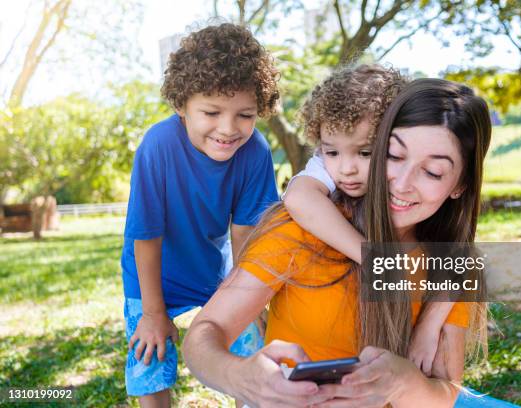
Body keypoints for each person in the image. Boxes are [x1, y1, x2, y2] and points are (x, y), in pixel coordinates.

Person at [182, 78, 492, 407]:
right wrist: (239, 376)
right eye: (393, 155)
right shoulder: (301, 230)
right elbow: (204, 334)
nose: (402, 184)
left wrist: (407, 385)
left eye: (431, 172)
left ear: (459, 186)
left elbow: (445, 394)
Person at [120, 23, 279, 407]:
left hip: (217, 272)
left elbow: (246, 234)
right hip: (154, 275)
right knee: (149, 355)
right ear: (181, 105)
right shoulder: (157, 146)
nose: (228, 129)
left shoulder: (255, 151)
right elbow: (146, 235)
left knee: (252, 344)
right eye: (211, 112)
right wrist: (154, 312)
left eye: (244, 114)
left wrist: (252, 301)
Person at [283, 64, 462, 376]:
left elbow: (464, 261)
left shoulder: (408, 181)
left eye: (365, 153)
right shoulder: (326, 167)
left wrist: (429, 326)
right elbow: (299, 198)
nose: (346, 169)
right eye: (332, 152)